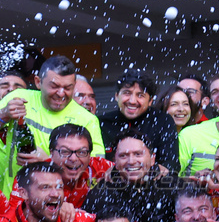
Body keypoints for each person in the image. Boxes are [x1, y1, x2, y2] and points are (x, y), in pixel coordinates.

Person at [0, 56, 104, 191]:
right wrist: (3, 115)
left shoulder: (87, 119)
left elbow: (96, 173)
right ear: (38, 82)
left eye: (68, 88)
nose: (61, 93)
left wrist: (50, 162)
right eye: (54, 86)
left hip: (61, 204)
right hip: (14, 200)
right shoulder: (18, 97)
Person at [83, 136, 176, 222]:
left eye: (138, 154)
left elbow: (191, 214)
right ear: (115, 161)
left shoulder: (169, 184)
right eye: (123, 155)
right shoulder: (101, 193)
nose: (131, 161)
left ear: (152, 159)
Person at [98, 69, 179, 174]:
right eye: (127, 93)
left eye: (140, 95)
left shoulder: (162, 120)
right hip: (111, 186)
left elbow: (171, 164)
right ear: (116, 96)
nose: (132, 101)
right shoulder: (102, 122)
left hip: (152, 186)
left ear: (150, 101)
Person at [48, 123, 112, 208]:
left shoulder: (100, 167)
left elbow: (131, 174)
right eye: (65, 152)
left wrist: (117, 173)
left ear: (89, 155)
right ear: (51, 153)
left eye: (81, 152)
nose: (73, 158)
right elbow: (24, 200)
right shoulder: (38, 173)